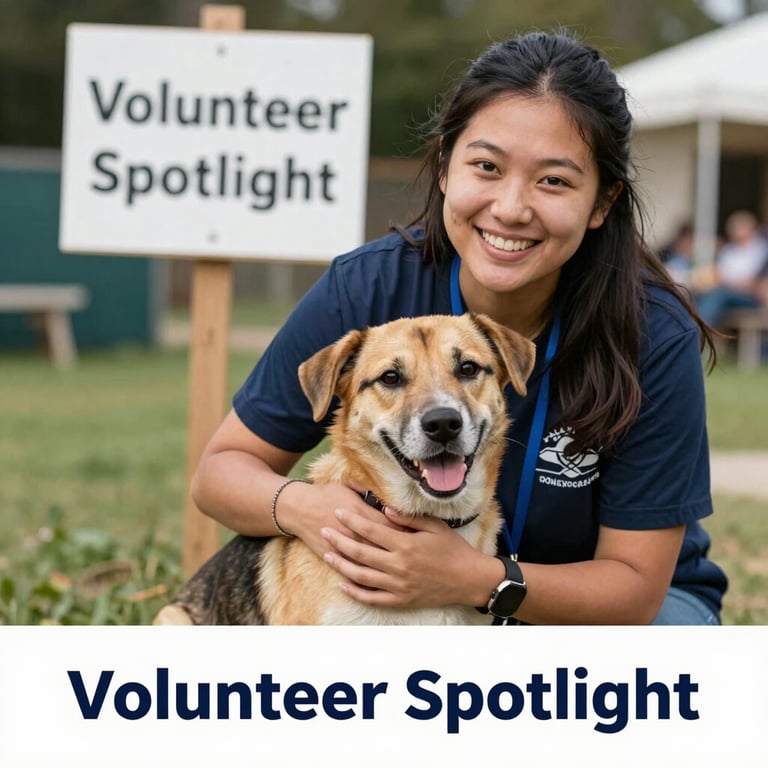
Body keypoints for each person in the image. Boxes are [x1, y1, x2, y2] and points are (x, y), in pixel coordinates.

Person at [191, 29, 728, 625]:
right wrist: (310, 509)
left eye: (554, 180)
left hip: (605, 613)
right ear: (446, 167)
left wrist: (473, 579)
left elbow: (632, 594)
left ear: (602, 202)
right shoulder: (368, 289)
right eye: (487, 167)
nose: (510, 207)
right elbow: (220, 473)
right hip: (431, 600)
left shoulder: (652, 335)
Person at [695, 209, 768, 329]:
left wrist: (732, 282)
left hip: (750, 297)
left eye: (739, 227)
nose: (735, 231)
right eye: (734, 228)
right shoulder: (728, 250)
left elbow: (756, 282)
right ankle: (700, 328)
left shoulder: (761, 249)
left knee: (718, 296)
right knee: (701, 295)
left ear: (751, 228)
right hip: (727, 292)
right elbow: (718, 275)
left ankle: (701, 329)